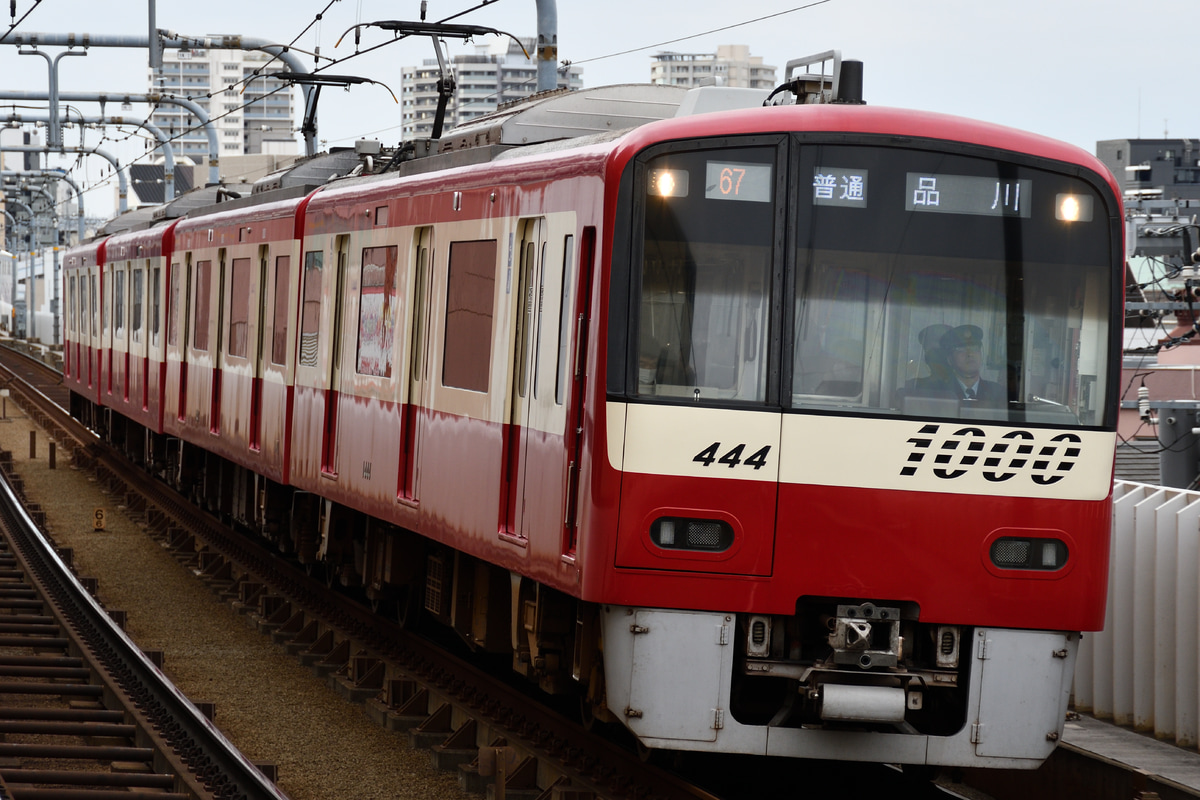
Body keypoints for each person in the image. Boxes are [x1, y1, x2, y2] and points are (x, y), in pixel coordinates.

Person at [934, 324, 1004, 403]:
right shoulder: (938, 392)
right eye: (961, 349)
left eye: (974, 348)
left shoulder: (998, 392)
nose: (970, 354)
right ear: (950, 360)